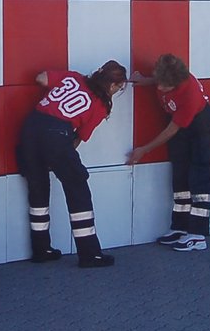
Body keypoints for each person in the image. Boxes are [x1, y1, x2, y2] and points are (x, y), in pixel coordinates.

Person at [16, 61, 127, 268]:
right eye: (119, 88)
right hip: (58, 134)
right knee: (78, 188)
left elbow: (41, 78)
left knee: (37, 187)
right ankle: (89, 253)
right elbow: (79, 138)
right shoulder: (100, 105)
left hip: (30, 127)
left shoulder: (74, 77)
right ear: (112, 86)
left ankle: (41, 249)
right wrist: (58, 155)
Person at [127, 53, 210, 252]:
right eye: (158, 82)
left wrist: (144, 150)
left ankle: (198, 235)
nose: (159, 88)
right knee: (180, 179)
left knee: (200, 182)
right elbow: (159, 80)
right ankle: (180, 227)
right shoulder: (167, 78)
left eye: (164, 85)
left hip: (200, 131)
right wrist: (144, 80)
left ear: (176, 83)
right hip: (182, 132)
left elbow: (172, 129)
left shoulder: (190, 95)